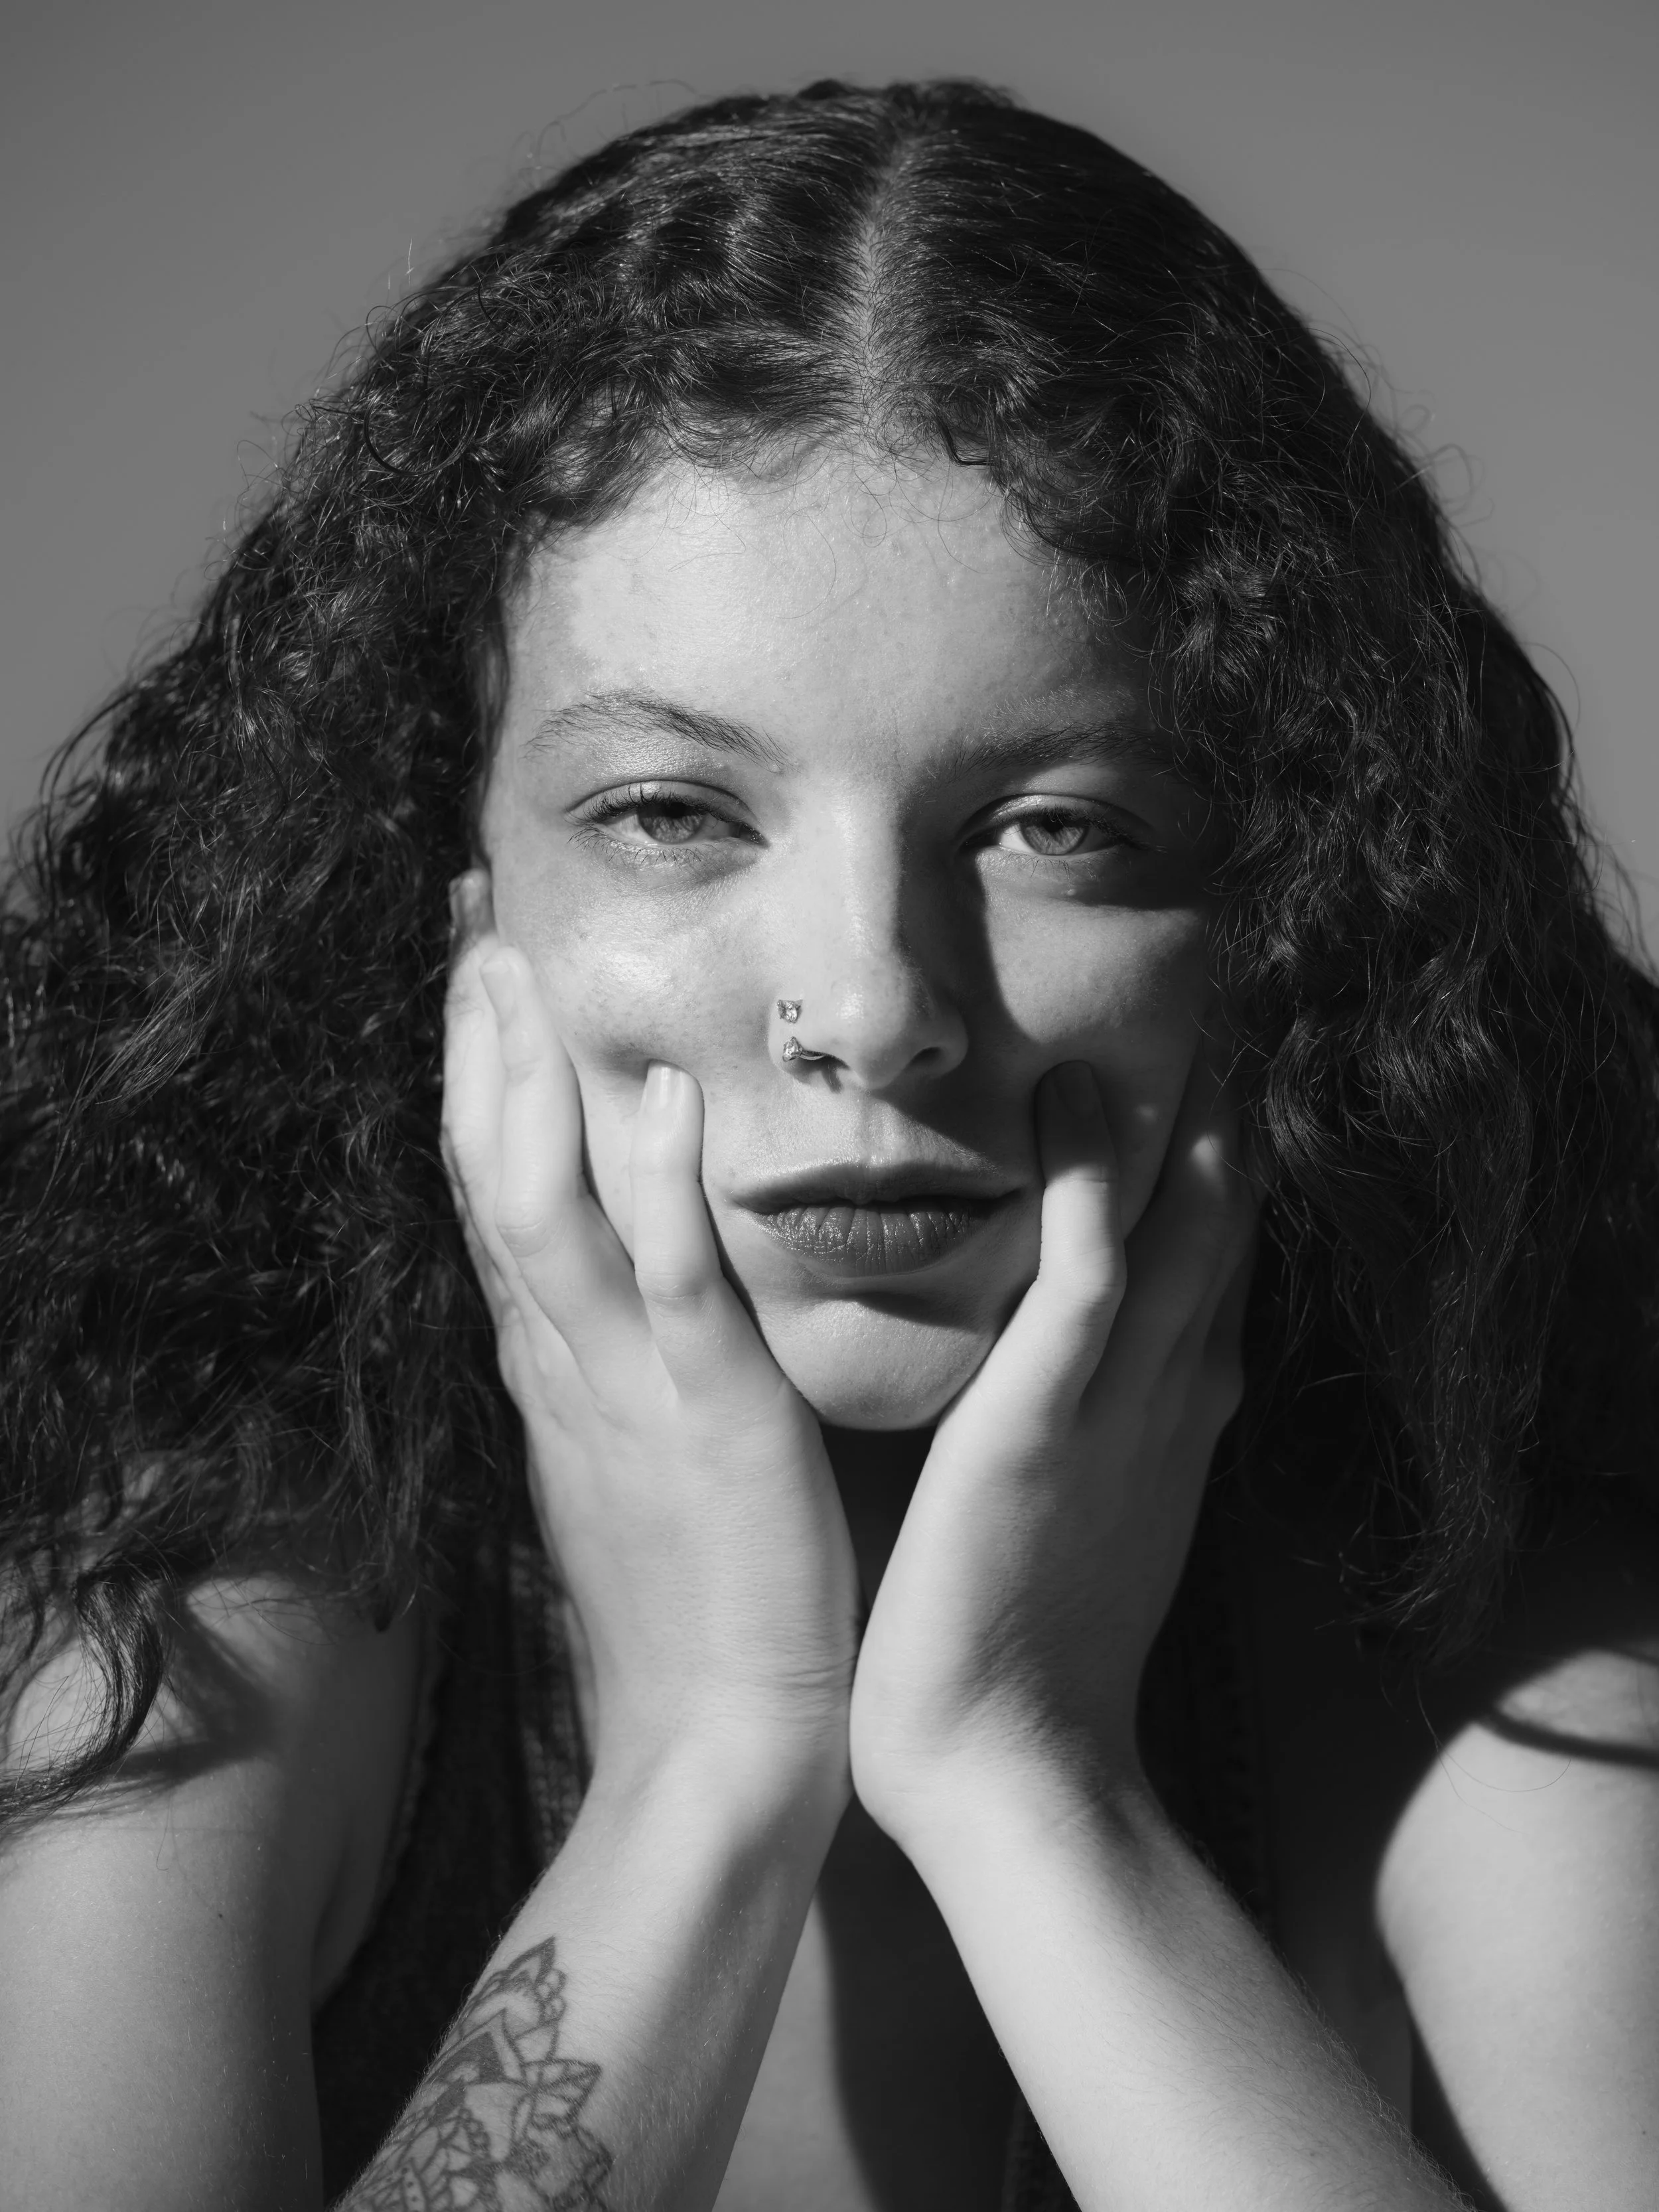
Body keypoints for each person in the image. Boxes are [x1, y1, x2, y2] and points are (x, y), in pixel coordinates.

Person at [1, 74, 1656, 2212]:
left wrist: (1025, 1776)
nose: (870, 1004)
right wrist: (707, 1758)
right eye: (675, 815)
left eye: (1056, 825)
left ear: (1288, 912)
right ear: (453, 914)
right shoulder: (177, 1660)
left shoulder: (1498, 1673)